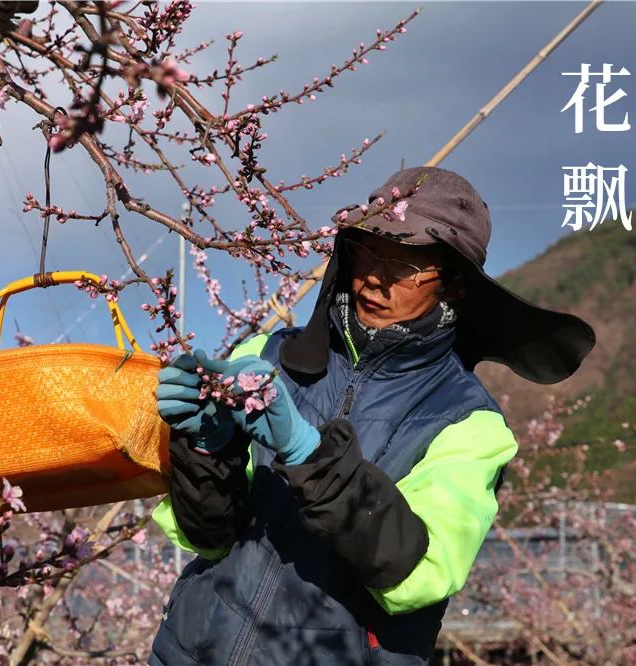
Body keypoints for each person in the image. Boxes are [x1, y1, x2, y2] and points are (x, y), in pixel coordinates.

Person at [148, 167, 596, 665]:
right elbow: (206, 538)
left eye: (405, 268)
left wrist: (307, 454)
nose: (376, 279)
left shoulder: (469, 424)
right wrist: (205, 448)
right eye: (369, 253)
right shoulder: (265, 354)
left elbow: (419, 573)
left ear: (454, 286)